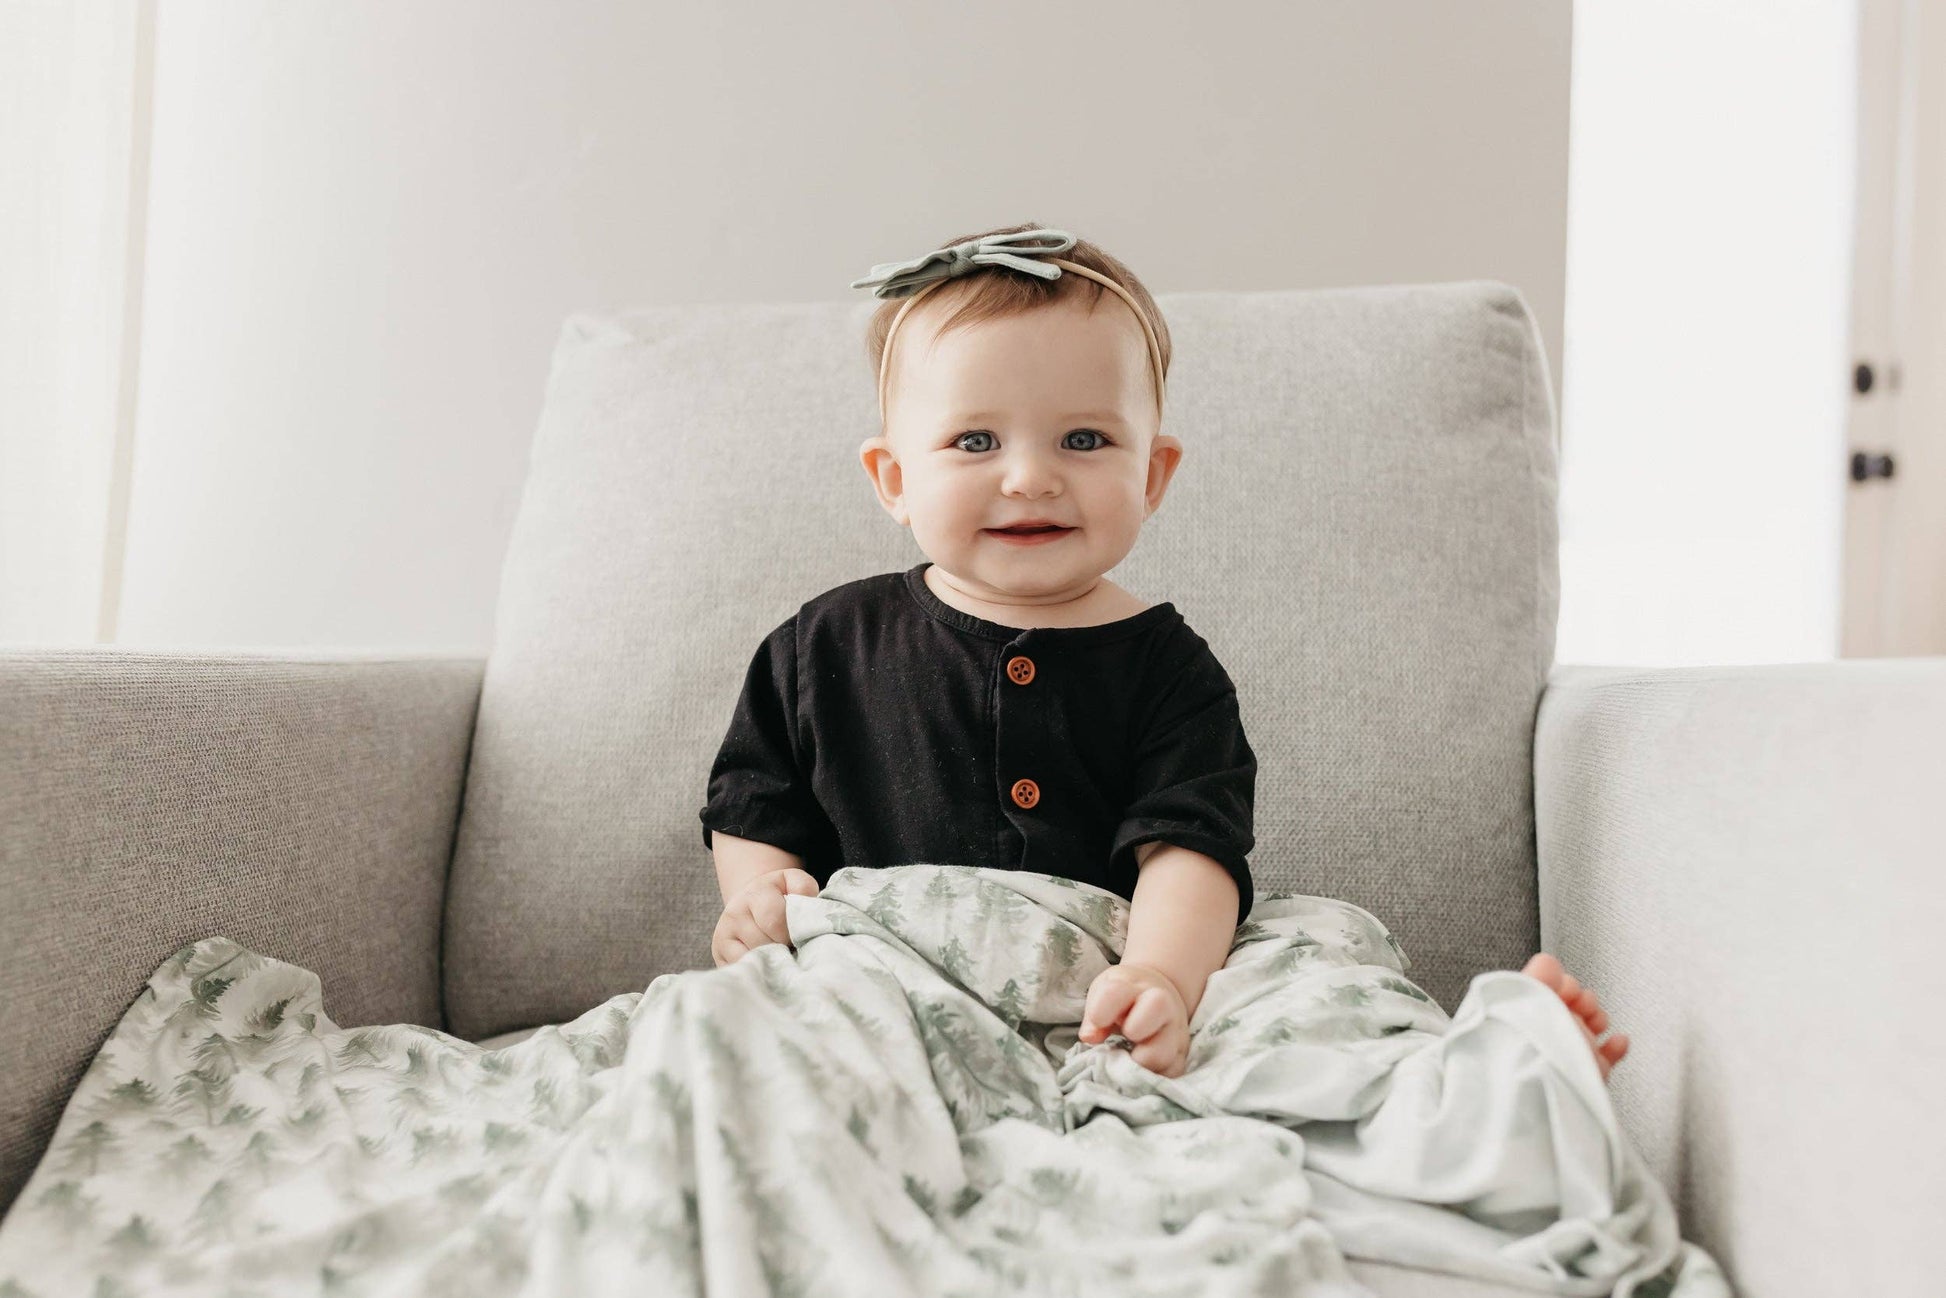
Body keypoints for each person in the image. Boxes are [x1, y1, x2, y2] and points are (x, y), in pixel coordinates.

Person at [697, 222, 1629, 1083]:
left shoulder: (1169, 669)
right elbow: (754, 800)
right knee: (745, 1040)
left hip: (1111, 989)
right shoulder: (823, 646)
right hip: (889, 984)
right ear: (894, 478)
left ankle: (1482, 1079)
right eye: (975, 440)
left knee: (1312, 964)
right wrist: (760, 898)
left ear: (1151, 474)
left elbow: (1191, 850)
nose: (1031, 476)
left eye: (1085, 438)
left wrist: (1162, 978)